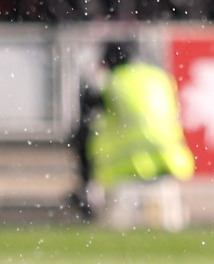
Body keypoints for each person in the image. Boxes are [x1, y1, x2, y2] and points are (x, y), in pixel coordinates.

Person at [76, 38, 195, 219]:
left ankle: (89, 195)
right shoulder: (159, 78)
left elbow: (83, 127)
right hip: (167, 166)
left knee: (115, 242)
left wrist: (86, 179)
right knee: (170, 237)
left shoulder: (110, 84)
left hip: (125, 173)